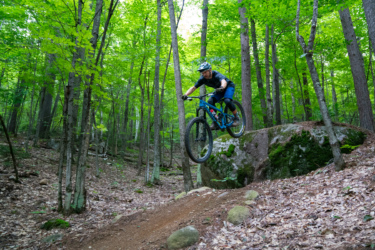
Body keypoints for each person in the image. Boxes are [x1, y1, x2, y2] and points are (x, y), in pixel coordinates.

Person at [182, 62, 240, 130]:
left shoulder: (216, 74)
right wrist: (185, 95)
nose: (204, 74)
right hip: (219, 90)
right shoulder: (202, 79)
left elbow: (224, 81)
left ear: (210, 70)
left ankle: (236, 117)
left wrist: (221, 87)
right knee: (210, 101)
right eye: (202, 73)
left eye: (205, 72)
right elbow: (193, 88)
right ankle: (215, 121)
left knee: (227, 100)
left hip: (228, 86)